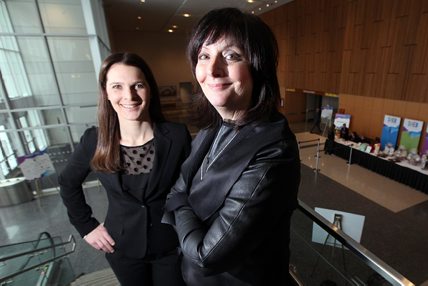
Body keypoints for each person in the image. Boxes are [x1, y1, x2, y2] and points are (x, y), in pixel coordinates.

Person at [162, 8, 301, 285]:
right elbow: (179, 185)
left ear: (258, 67)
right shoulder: (213, 126)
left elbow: (207, 255)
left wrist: (178, 203)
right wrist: (179, 197)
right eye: (204, 56)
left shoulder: (275, 149)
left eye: (231, 56)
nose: (212, 70)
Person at [59, 52, 191, 286]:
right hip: (121, 247)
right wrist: (86, 226)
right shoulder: (95, 140)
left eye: (137, 85)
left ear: (149, 88)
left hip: (172, 245)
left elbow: (194, 189)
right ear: (106, 93)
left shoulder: (177, 136)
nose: (129, 96)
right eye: (117, 86)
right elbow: (68, 182)